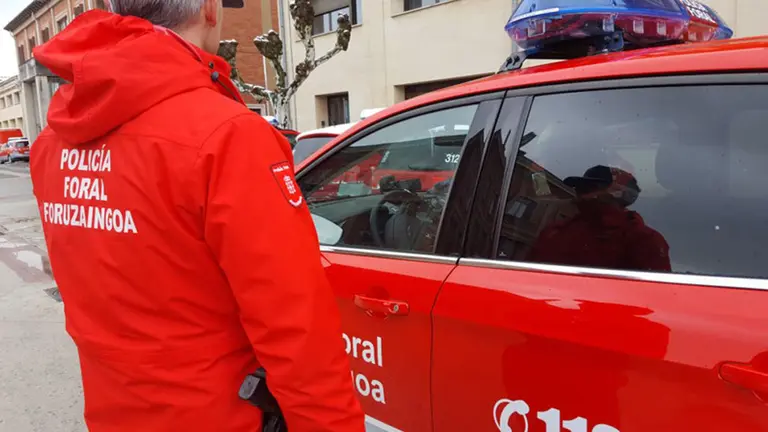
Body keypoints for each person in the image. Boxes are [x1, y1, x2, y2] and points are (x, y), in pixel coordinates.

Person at [29, 1, 365, 431]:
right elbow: (297, 334)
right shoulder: (227, 136)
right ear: (208, 8)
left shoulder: (51, 146)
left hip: (115, 414)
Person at [530, 165, 671, 272]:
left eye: (592, 187)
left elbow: (658, 297)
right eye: (581, 188)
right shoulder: (555, 232)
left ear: (618, 193)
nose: (582, 194)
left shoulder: (644, 240)